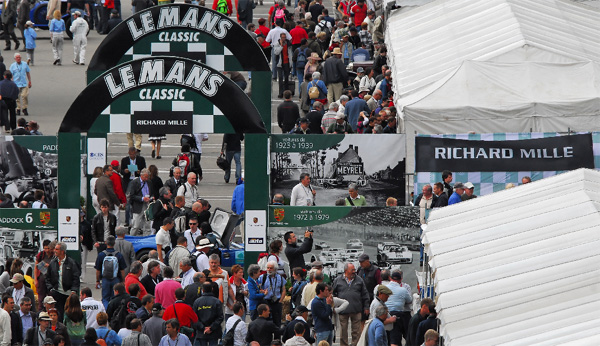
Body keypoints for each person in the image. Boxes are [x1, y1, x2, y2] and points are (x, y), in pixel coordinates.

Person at [332, 263, 369, 346]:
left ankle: (355, 344)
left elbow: (365, 294)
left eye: (354, 270)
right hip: (343, 311)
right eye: (352, 270)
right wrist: (335, 306)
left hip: (356, 310)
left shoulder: (359, 280)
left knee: (356, 331)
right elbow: (333, 294)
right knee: (343, 331)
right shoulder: (338, 280)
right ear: (346, 271)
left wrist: (366, 307)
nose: (354, 271)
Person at [46, 242, 81, 318]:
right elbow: (48, 277)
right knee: (59, 314)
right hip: (57, 293)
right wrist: (51, 289)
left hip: (68, 294)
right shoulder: (53, 263)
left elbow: (76, 277)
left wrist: (73, 291)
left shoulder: (71, 263)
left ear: (62, 251)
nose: (54, 251)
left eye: (57, 249)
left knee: (69, 314)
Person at [95, 236, 127, 308]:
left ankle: (107, 312)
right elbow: (122, 270)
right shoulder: (118, 255)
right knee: (115, 297)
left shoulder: (101, 255)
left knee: (105, 298)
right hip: (116, 279)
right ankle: (113, 313)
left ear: (106, 243)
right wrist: (123, 280)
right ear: (114, 243)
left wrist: (97, 281)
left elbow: (98, 270)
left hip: (105, 279)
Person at [385, 271, 412, 346]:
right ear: (401, 279)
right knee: (395, 338)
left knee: (387, 338)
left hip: (385, 315)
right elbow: (409, 301)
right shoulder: (403, 289)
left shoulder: (385, 288)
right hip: (398, 315)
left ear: (390, 278)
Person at [258, 261, 286, 328]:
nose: (269, 270)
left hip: (276, 302)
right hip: (266, 301)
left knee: (277, 322)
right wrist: (263, 292)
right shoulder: (262, 277)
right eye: (268, 268)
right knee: (266, 321)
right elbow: (258, 289)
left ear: (275, 269)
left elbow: (284, 290)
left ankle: (277, 337)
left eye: (271, 268)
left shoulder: (280, 278)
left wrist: (280, 301)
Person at [128, 168, 154, 236]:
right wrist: (142, 198)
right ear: (141, 175)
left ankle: (146, 239)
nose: (146, 178)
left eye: (147, 177)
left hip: (147, 205)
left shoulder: (149, 182)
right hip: (138, 206)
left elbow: (152, 192)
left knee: (147, 225)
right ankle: (132, 238)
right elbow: (132, 195)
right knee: (136, 226)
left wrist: (151, 197)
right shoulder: (134, 182)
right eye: (145, 177)